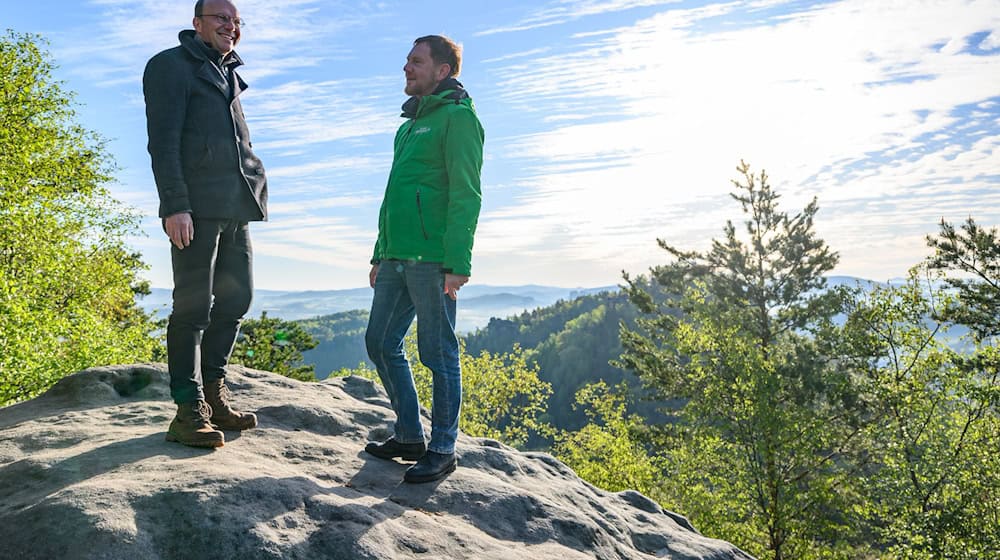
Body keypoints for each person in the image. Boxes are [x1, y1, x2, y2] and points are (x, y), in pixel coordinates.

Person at [143, 0, 266, 448]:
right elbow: (163, 141)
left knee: (237, 299)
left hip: (236, 203)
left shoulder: (227, 69)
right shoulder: (170, 67)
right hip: (194, 208)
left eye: (236, 21)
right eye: (221, 18)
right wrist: (175, 205)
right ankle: (187, 408)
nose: (230, 26)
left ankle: (214, 394)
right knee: (193, 307)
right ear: (196, 24)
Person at [364, 35, 485, 483]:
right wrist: (380, 251)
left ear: (443, 71)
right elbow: (393, 195)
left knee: (437, 353)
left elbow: (466, 194)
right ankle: (409, 435)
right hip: (396, 257)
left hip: (434, 260)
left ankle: (443, 448)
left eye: (416, 62)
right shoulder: (408, 126)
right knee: (379, 342)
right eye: (406, 61)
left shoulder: (459, 119)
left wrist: (458, 262)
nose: (406, 68)